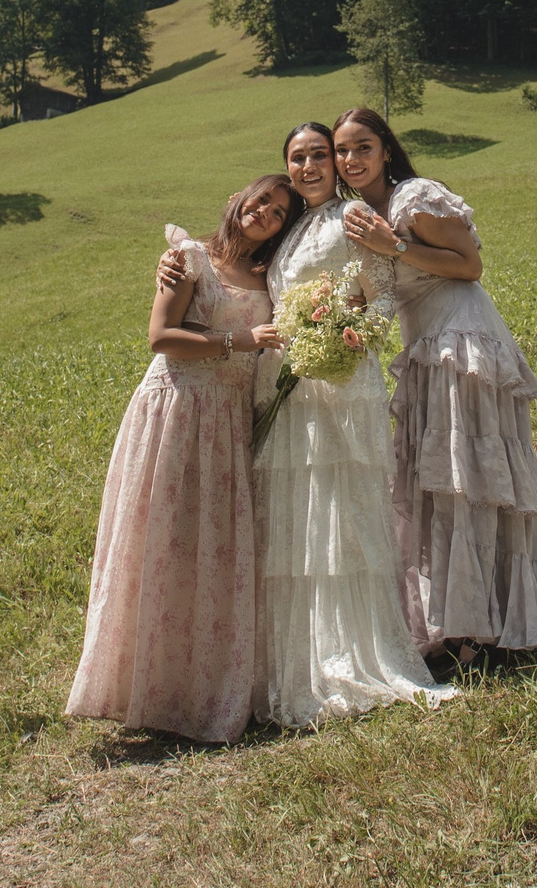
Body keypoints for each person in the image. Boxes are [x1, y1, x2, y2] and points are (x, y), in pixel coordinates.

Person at [170, 124, 456, 726]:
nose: (307, 167)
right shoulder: (293, 228)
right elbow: (234, 260)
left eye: (318, 156)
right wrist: (178, 262)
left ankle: (354, 655)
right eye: (296, 158)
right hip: (282, 385)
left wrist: (343, 338)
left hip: (337, 384)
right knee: (294, 525)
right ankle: (297, 662)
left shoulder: (352, 219)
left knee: (341, 517)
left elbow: (381, 298)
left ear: (335, 163)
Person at [333, 107, 537, 659]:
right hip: (423, 345)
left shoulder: (413, 199)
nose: (352, 160)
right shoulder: (358, 215)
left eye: (363, 147)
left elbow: (469, 265)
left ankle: (498, 624)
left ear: (386, 150)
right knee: (442, 482)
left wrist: (391, 244)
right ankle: (465, 622)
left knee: (470, 476)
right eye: (342, 151)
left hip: (460, 340)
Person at [67, 174, 297, 743]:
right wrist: (237, 343)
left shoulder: (272, 277)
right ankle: (139, 687)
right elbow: (161, 335)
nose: (265, 212)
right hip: (176, 409)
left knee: (213, 547)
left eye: (278, 212)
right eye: (261, 200)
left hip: (227, 422)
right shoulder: (189, 257)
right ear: (237, 201)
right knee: (162, 539)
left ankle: (205, 687)